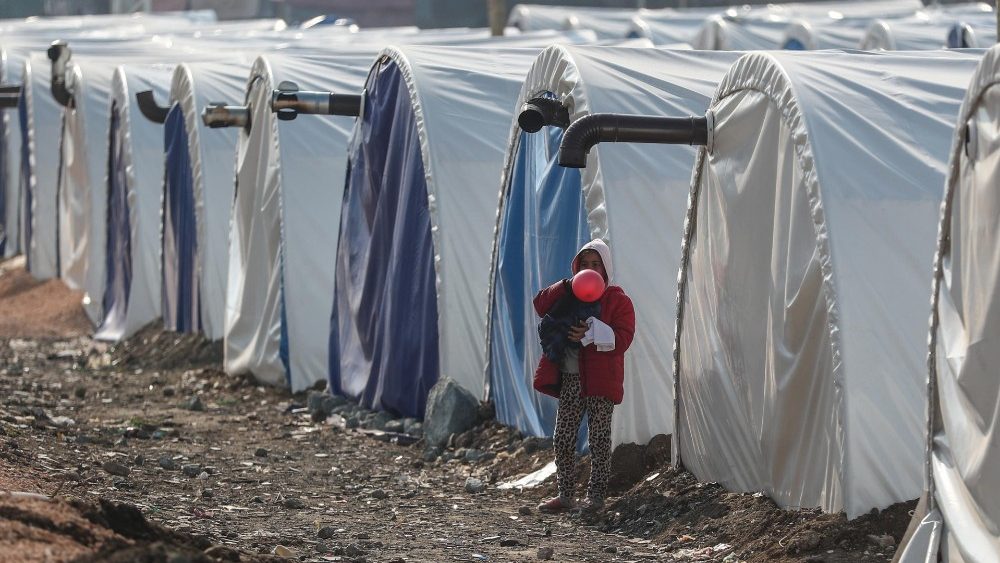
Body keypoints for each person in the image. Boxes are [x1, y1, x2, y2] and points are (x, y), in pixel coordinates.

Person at [533, 239, 635, 513]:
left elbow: (623, 337)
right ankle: (566, 494)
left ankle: (596, 498)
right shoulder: (568, 295)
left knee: (599, 440)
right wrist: (566, 285)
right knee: (563, 437)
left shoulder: (617, 299)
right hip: (572, 379)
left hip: (601, 381)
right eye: (584, 265)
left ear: (605, 268)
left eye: (595, 265)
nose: (590, 271)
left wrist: (591, 333)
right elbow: (540, 304)